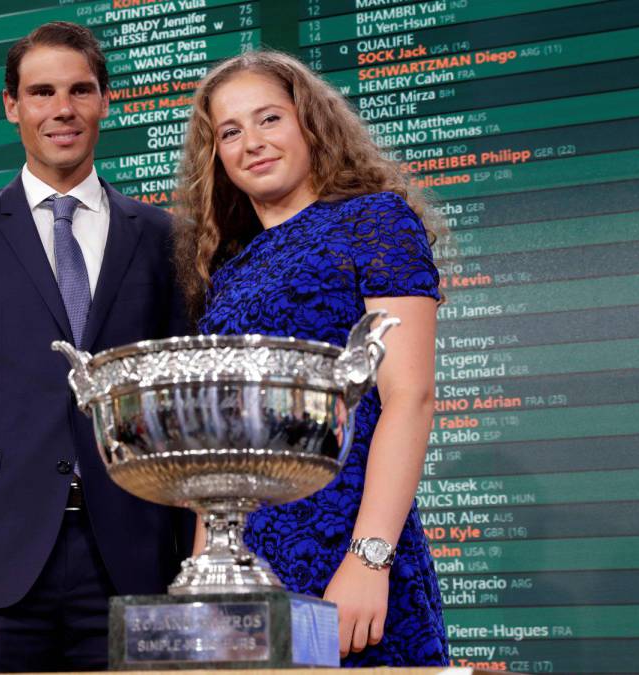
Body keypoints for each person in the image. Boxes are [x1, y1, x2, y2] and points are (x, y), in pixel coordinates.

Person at [0, 21, 189, 673]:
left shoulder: (163, 238)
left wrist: (195, 562)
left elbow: (178, 414)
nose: (62, 109)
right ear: (11, 105)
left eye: (80, 90)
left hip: (134, 561)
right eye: (42, 91)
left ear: (106, 101)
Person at [173, 50, 448, 667]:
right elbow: (220, 449)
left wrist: (368, 558)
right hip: (250, 561)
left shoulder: (375, 221)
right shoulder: (228, 271)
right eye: (231, 132)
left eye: (269, 118)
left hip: (349, 546)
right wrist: (206, 584)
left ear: (309, 123)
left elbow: (410, 396)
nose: (253, 143)